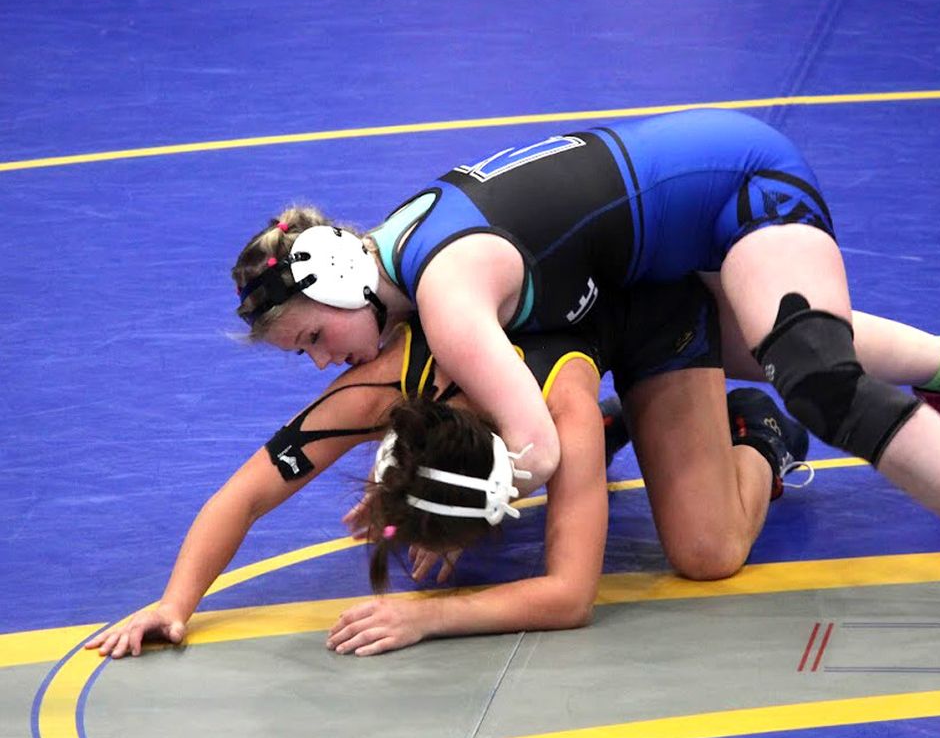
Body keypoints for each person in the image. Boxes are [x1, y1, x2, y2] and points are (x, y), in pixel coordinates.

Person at [231, 108, 940, 634]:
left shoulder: (446, 292)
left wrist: (430, 492)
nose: (318, 361)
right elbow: (507, 422)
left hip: (737, 190)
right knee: (750, 396)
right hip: (644, 283)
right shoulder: (403, 269)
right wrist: (417, 491)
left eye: (310, 337)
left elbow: (529, 445)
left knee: (812, 370)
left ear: (339, 279)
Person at [86, 278, 808, 658]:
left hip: (652, 317)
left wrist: (427, 618)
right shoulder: (383, 379)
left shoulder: (565, 415)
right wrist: (176, 601)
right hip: (542, 353)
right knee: (419, 531)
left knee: (707, 553)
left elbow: (568, 597)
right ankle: (631, 429)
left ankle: (758, 431)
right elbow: (247, 492)